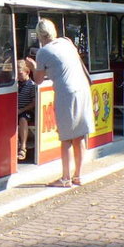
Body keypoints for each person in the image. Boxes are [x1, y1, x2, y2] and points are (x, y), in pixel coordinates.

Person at [31, 18, 94, 187]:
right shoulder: (66, 43)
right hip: (83, 90)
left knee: (66, 137)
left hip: (67, 94)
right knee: (79, 135)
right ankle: (78, 176)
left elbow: (37, 79)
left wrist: (32, 65)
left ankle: (65, 178)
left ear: (39, 34)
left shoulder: (43, 52)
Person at [16, 58, 37, 161]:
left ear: (27, 72)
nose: (18, 76)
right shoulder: (15, 85)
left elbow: (33, 103)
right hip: (15, 111)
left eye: (20, 74)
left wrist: (22, 110)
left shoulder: (31, 85)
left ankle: (23, 147)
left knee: (23, 120)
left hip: (27, 111)